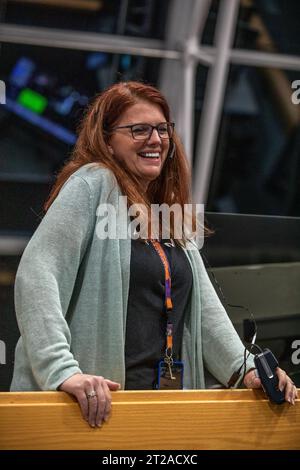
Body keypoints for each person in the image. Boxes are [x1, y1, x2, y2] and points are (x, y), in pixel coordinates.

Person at [10, 81, 297, 428]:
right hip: (91, 413)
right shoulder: (93, 183)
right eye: (138, 130)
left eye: (162, 129)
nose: (156, 139)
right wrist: (62, 371)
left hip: (156, 410)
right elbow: (37, 275)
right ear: (108, 142)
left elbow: (207, 313)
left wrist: (248, 371)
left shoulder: (165, 212)